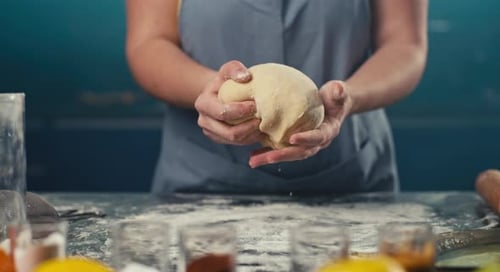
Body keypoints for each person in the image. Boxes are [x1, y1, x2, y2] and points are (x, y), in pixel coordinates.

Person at [125, 0, 428, 195]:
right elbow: (149, 43)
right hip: (203, 181)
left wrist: (349, 97)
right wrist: (213, 89)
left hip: (348, 176)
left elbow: (405, 46)